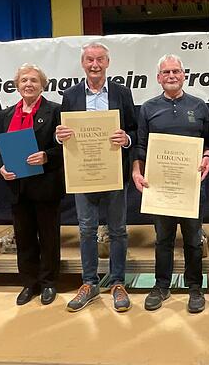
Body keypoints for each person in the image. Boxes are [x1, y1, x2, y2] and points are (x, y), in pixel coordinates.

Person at [56, 42, 137, 313]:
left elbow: (135, 130)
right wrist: (60, 137)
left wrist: (126, 138)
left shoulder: (122, 93)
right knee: (86, 230)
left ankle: (117, 283)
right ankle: (89, 283)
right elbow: (64, 132)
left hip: (114, 171)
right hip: (84, 173)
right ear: (83, 63)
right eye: (90, 60)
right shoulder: (70, 95)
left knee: (118, 231)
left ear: (107, 62)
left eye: (99, 60)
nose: (94, 65)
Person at [132, 54, 209, 314]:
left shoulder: (199, 106)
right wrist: (137, 171)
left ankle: (195, 287)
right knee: (163, 239)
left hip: (191, 186)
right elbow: (141, 145)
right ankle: (161, 286)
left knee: (193, 239)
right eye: (166, 72)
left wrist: (207, 157)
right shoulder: (147, 108)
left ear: (184, 75)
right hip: (159, 187)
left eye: (176, 71)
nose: (171, 76)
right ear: (158, 78)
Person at [0, 64, 64, 306]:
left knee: (48, 237)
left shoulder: (55, 111)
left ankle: (48, 283)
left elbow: (64, 148)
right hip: (17, 187)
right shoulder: (5, 114)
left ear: (42, 84)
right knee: (23, 238)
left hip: (45, 185)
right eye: (24, 80)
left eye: (34, 80)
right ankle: (29, 282)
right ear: (17, 85)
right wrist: (1, 166)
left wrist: (47, 156)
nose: (28, 84)